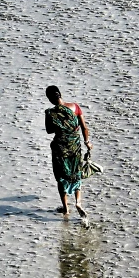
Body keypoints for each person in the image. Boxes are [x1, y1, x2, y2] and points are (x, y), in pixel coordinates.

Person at [45, 85, 92, 218]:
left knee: (61, 176)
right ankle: (78, 202)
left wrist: (60, 124)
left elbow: (49, 130)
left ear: (49, 98)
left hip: (60, 148)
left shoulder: (50, 113)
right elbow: (84, 127)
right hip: (74, 146)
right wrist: (87, 142)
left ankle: (66, 209)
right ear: (60, 94)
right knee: (76, 172)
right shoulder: (75, 107)